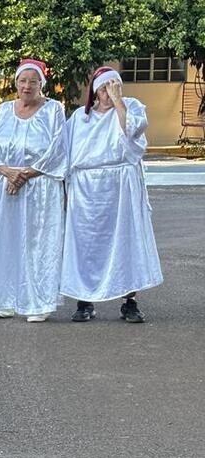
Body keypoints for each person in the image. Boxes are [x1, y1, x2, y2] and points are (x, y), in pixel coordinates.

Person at [61, 66, 162, 323]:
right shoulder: (80, 118)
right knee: (86, 243)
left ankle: (129, 301)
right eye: (105, 88)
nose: (110, 92)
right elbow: (66, 153)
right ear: (96, 91)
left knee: (125, 242)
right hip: (87, 189)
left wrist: (119, 102)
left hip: (121, 185)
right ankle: (84, 300)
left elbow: (133, 132)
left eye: (115, 86)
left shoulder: (130, 107)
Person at [0, 59, 68, 322]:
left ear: (42, 83)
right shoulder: (3, 111)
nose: (27, 86)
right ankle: (1, 300)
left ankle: (38, 303)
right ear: (15, 83)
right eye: (22, 80)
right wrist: (9, 172)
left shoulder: (54, 110)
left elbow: (58, 149)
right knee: (2, 240)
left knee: (38, 242)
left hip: (40, 186)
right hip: (6, 186)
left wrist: (25, 174)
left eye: (33, 81)